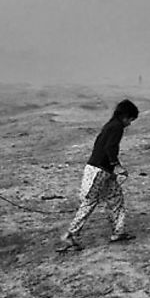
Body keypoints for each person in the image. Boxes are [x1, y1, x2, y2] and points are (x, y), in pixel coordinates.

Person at [58, 99, 140, 252]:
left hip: (101, 170)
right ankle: (70, 235)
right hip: (99, 171)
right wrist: (116, 165)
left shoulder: (110, 125)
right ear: (125, 116)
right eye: (130, 119)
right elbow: (110, 147)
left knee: (116, 198)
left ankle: (118, 232)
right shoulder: (116, 127)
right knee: (89, 203)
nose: (129, 123)